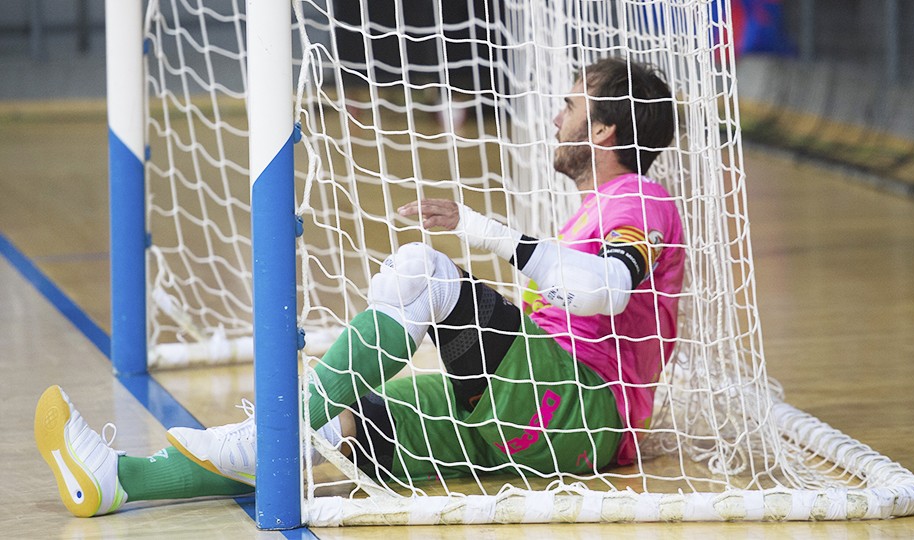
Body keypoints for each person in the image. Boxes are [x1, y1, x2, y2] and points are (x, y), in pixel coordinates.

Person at [35, 57, 684, 518]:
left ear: (603, 130)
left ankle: (264, 430)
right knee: (344, 427)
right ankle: (119, 479)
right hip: (534, 420)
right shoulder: (599, 207)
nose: (556, 114)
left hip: (579, 409)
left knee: (421, 271)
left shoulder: (640, 200)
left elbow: (607, 292)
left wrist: (485, 231)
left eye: (571, 103)